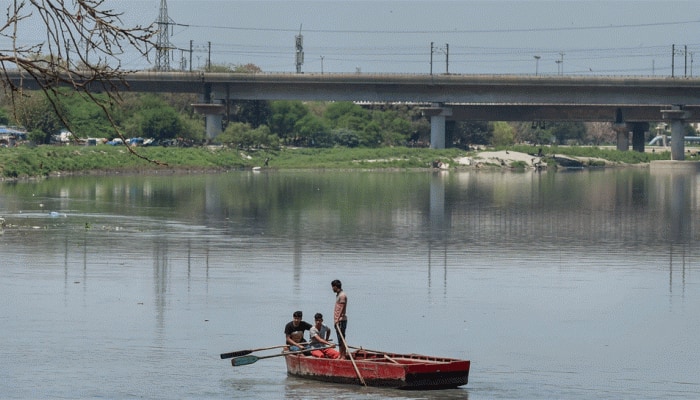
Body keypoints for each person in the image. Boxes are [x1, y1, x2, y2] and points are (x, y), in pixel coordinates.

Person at [331, 279, 348, 358]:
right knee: (339, 338)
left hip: (341, 320)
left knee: (341, 338)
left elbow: (341, 308)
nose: (332, 289)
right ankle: (341, 354)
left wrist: (337, 320)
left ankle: (343, 356)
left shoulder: (342, 295)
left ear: (335, 286)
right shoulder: (338, 294)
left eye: (332, 287)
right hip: (338, 320)